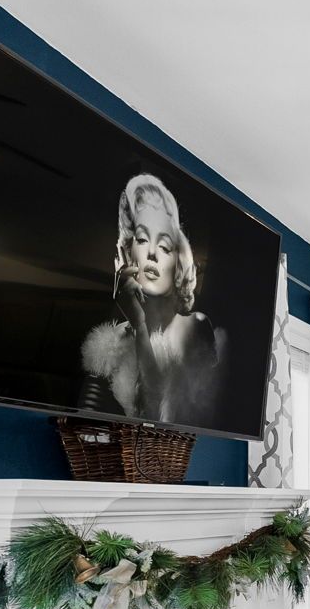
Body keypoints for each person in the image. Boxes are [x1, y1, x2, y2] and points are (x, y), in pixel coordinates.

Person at [79, 174, 225, 426]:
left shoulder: (194, 327)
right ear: (129, 251)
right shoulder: (111, 342)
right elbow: (84, 422)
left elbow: (159, 418)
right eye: (142, 239)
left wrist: (140, 327)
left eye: (165, 246)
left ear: (179, 262)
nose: (151, 254)